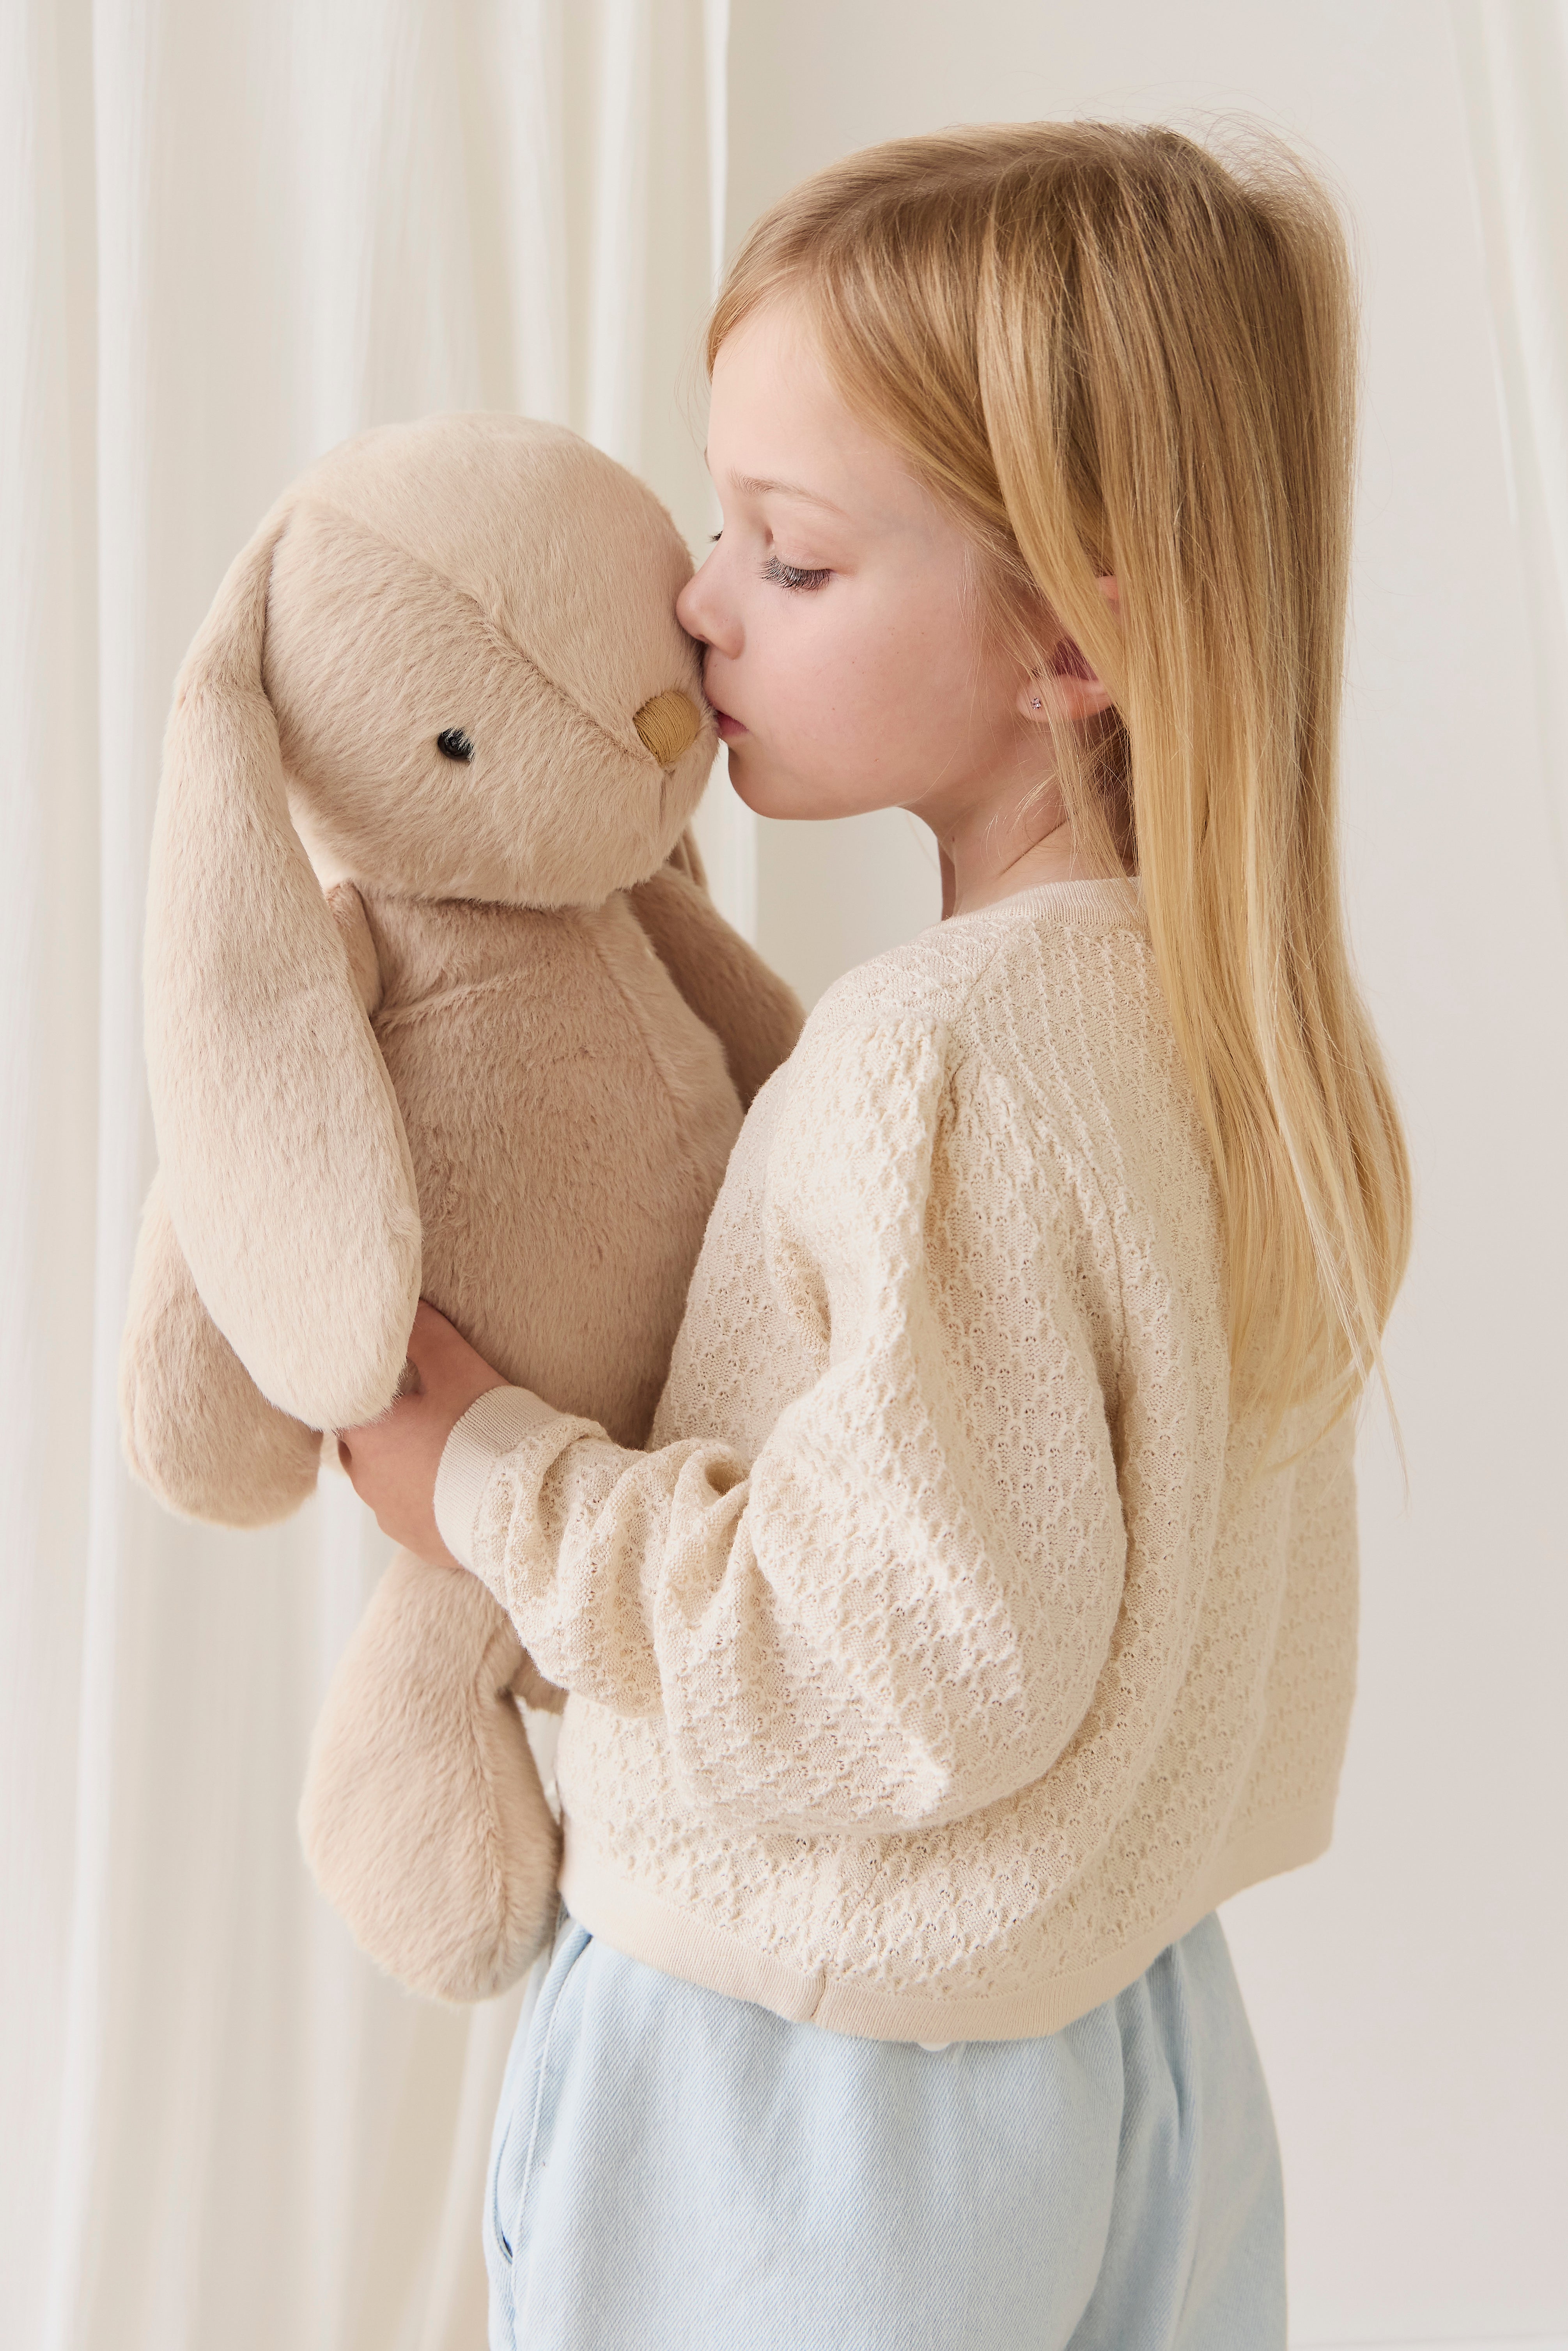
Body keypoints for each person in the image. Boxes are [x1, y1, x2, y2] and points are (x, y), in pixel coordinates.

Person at [337, 121, 1411, 2350]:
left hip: (814, 2090)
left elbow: (895, 1658)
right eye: (716, 530)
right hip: (1130, 2053)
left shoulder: (945, 1062)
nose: (699, 601)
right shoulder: (1213, 1030)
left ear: (1072, 634)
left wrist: (494, 1487)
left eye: (792, 562)